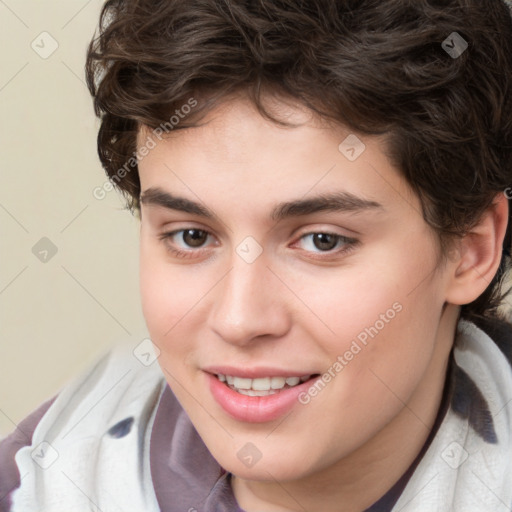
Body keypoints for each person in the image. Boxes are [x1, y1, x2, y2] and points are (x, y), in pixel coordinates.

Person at [2, 0, 512, 510]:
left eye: (322, 241)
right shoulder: (41, 480)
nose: (239, 320)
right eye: (192, 236)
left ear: (470, 249)